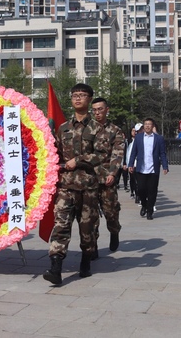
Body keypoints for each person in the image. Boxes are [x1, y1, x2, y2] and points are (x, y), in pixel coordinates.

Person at [43, 83, 106, 285]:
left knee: (87, 230)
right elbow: (56, 153)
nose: (77, 98)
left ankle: (86, 260)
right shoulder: (63, 128)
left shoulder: (98, 128)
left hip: (88, 188)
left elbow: (101, 155)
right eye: (74, 95)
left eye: (82, 95)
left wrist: (78, 161)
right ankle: (55, 267)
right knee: (60, 226)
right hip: (66, 187)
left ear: (89, 99)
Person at [90, 97, 125, 254]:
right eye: (94, 110)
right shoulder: (87, 129)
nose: (97, 112)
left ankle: (114, 231)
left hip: (106, 178)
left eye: (100, 109)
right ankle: (92, 247)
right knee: (90, 215)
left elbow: (117, 154)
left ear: (107, 110)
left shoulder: (115, 130)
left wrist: (112, 173)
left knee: (111, 212)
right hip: (89, 178)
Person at [128, 118, 169, 220]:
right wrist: (130, 164)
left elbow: (162, 153)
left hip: (153, 169)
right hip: (141, 168)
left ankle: (150, 211)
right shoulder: (138, 137)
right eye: (145, 124)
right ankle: (144, 205)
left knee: (152, 191)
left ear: (152, 126)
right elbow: (134, 152)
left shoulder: (159, 138)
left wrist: (165, 166)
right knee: (141, 189)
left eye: (149, 124)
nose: (147, 126)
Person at [128, 124, 141, 202]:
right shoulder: (129, 141)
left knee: (140, 182)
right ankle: (136, 194)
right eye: (134, 131)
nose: (135, 132)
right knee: (134, 181)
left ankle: (139, 195)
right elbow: (129, 154)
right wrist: (128, 164)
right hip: (133, 164)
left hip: (141, 164)